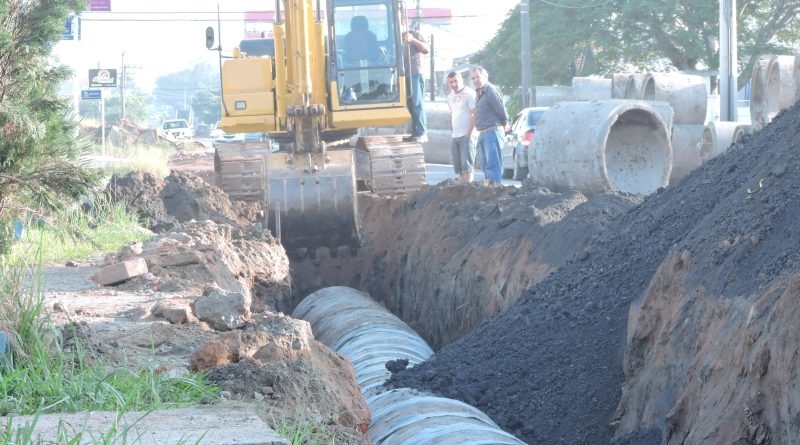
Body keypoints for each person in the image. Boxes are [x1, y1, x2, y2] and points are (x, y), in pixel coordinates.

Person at [471, 66, 509, 185]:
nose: (475, 79)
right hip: (482, 133)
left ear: (485, 77)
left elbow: (500, 109)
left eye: (478, 76)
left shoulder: (490, 90)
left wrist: (506, 122)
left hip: (492, 132)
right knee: (485, 167)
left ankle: (495, 191)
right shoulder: (479, 93)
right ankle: (489, 192)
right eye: (473, 78)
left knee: (493, 166)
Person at [446, 71, 477, 183]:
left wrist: (469, 133)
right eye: (451, 82)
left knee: (467, 168)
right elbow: (452, 114)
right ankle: (461, 194)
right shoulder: (450, 97)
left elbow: (475, 114)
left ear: (461, 80)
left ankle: (469, 191)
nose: (453, 84)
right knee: (459, 169)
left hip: (467, 136)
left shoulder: (469, 94)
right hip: (455, 136)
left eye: (455, 81)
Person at [402, 22, 429, 143]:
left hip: (415, 73)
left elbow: (425, 49)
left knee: (417, 102)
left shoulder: (414, 34)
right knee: (410, 104)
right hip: (403, 75)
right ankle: (415, 132)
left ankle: (422, 132)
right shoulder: (395, 38)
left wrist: (412, 40)